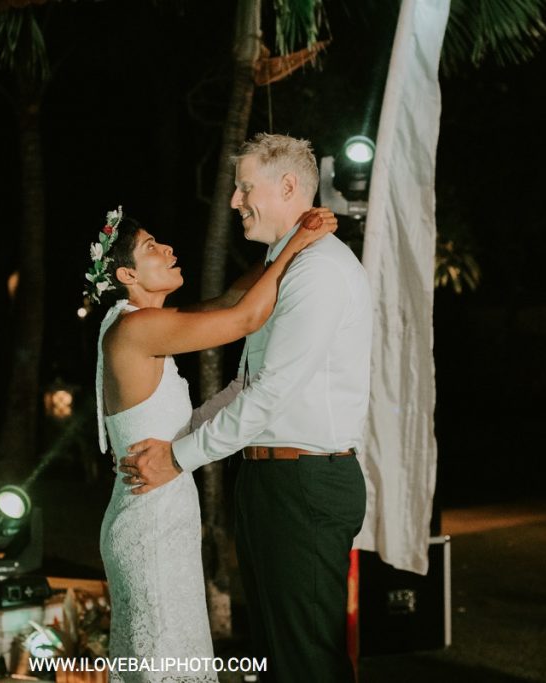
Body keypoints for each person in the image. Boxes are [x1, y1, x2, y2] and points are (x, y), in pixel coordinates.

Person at [119, 133, 372, 683]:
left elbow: (270, 394)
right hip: (271, 480)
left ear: (288, 186)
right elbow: (245, 383)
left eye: (244, 188)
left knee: (307, 663)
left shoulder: (319, 271)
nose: (235, 201)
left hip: (305, 483)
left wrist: (177, 457)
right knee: (279, 660)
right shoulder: (284, 268)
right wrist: (179, 437)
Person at [90, 203, 336, 682]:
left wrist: (282, 247)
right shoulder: (136, 328)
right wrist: (299, 245)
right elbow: (243, 319)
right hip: (151, 528)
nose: (168, 249)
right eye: (151, 247)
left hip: (159, 519)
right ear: (126, 274)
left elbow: (229, 301)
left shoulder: (143, 323)